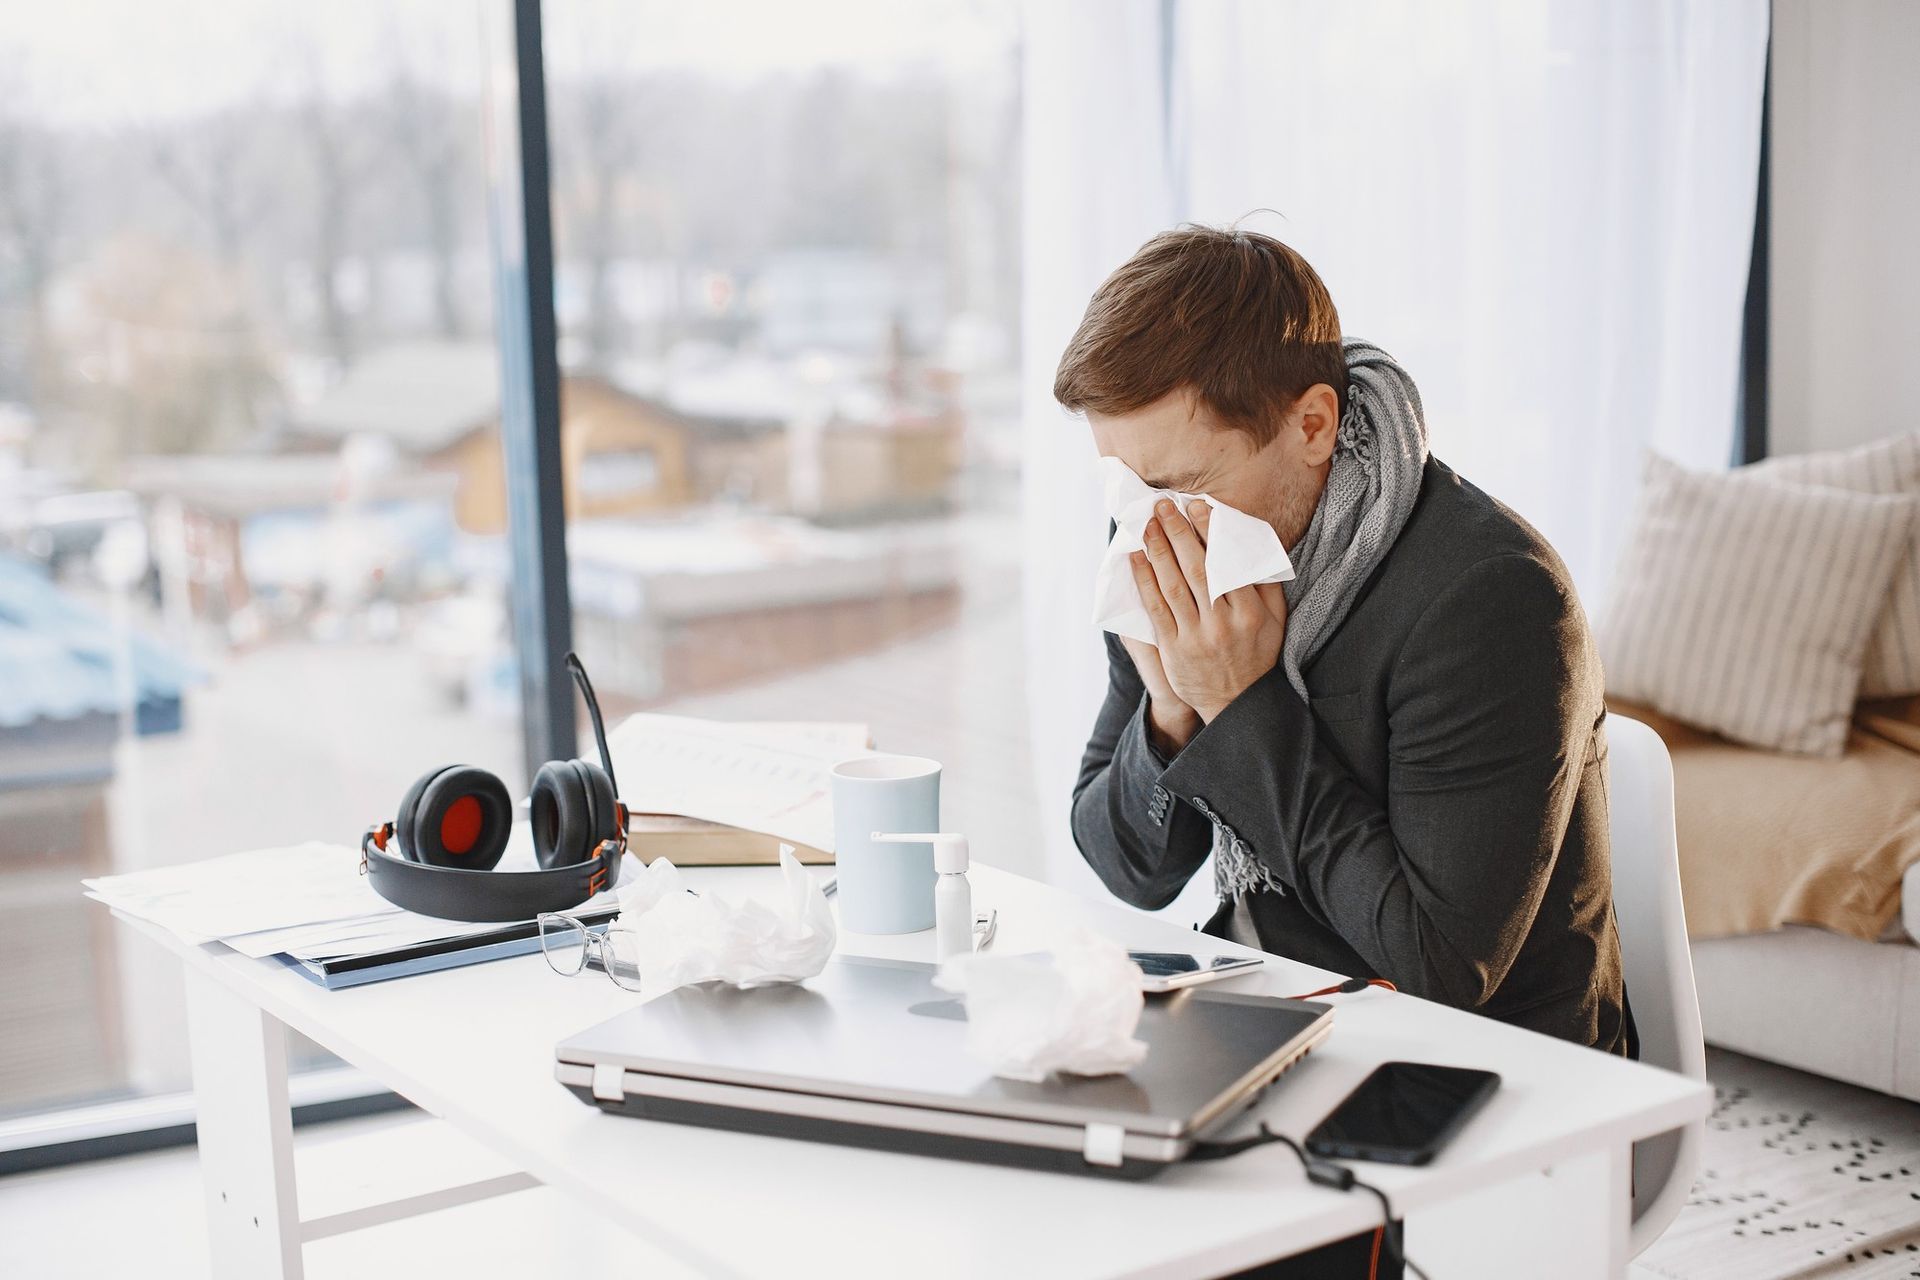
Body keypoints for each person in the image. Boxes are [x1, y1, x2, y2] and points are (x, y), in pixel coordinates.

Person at [1059, 223, 1631, 1277]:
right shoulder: (1159, 526)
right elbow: (1128, 863)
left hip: (1489, 1066)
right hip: (1266, 1008)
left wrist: (1239, 711)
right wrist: (1171, 711)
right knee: (1045, 1188)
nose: (1146, 528)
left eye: (1179, 482)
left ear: (1313, 425)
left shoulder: (1489, 597)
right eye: (1121, 489)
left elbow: (1440, 967)